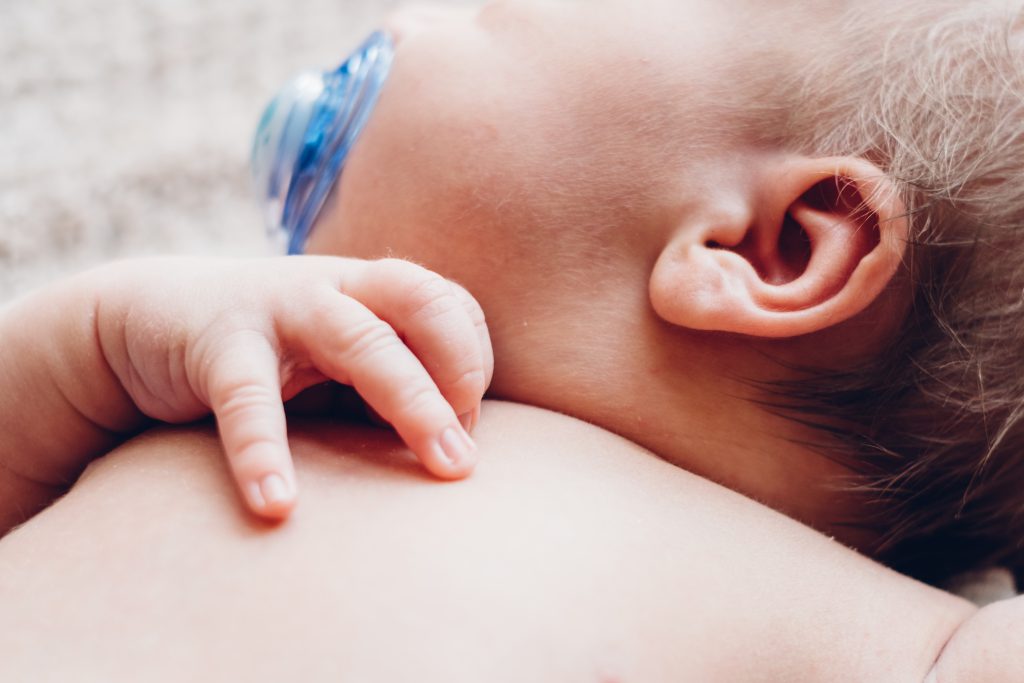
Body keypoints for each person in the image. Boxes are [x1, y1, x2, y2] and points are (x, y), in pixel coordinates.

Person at [0, 0, 1022, 678]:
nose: (414, 16)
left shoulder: (901, 638)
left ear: (770, 248)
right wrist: (93, 343)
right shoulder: (240, 374)